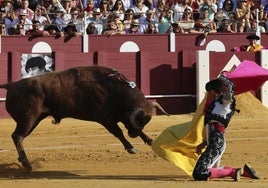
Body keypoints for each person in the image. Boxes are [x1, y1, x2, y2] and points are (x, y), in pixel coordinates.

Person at [192, 74, 260, 181]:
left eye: (208, 92)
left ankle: (233, 172)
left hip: (217, 143)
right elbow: (211, 128)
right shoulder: (215, 104)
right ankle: (243, 171)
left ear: (213, 92)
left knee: (199, 172)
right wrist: (204, 142)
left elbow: (231, 88)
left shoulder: (225, 102)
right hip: (214, 142)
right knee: (215, 169)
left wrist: (223, 78)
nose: (207, 95)